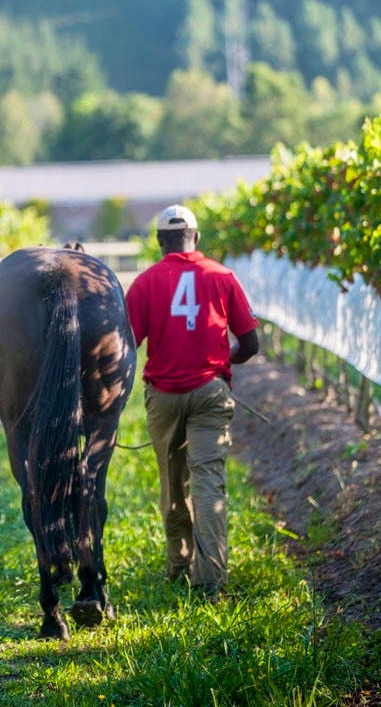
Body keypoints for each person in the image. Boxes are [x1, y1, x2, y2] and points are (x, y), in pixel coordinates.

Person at [125, 203, 259, 599]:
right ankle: (210, 580)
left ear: (159, 242)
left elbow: (127, 345)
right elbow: (251, 344)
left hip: (164, 397)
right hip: (209, 393)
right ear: (196, 237)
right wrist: (223, 360)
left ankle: (178, 565)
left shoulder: (145, 283)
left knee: (172, 481)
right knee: (208, 481)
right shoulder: (222, 276)